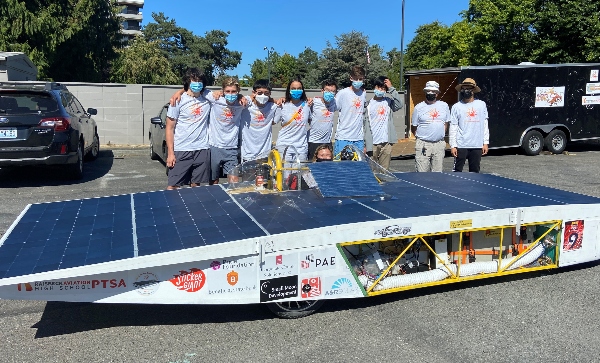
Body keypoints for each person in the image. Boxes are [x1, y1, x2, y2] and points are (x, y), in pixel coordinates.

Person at [165, 68, 211, 190]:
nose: (197, 83)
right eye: (194, 80)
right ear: (188, 82)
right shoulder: (177, 101)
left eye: (199, 81)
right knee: (173, 186)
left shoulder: (207, 98)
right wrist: (170, 153)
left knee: (196, 186)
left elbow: (227, 94)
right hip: (182, 149)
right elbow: (169, 128)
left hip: (202, 149)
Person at [206, 77, 248, 183]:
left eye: (233, 91)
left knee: (234, 181)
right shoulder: (215, 99)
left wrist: (242, 96)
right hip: (214, 146)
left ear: (238, 91)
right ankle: (215, 199)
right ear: (223, 91)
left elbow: (257, 96)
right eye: (227, 91)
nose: (230, 94)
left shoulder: (242, 103)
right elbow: (196, 90)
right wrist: (178, 93)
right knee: (214, 181)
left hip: (232, 148)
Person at [449, 78, 489, 173]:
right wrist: (453, 145)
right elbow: (453, 126)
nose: (466, 91)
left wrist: (485, 142)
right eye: (464, 88)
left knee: (475, 172)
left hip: (477, 145)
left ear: (473, 90)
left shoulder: (481, 104)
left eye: (468, 88)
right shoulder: (456, 107)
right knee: (457, 171)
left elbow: (485, 124)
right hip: (461, 145)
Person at [364, 76, 403, 170]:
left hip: (386, 143)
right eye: (378, 87)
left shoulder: (388, 102)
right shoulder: (368, 104)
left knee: (384, 171)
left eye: (383, 88)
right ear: (374, 87)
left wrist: (391, 88)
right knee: (371, 171)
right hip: (372, 143)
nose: (380, 90)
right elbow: (363, 125)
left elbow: (399, 105)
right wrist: (365, 143)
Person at [411, 81, 451, 172]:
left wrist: (440, 134)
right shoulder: (418, 107)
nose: (430, 93)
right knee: (422, 173)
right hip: (423, 144)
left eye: (433, 92)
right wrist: (421, 138)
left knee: (437, 173)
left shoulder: (444, 106)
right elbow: (414, 126)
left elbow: (446, 123)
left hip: (439, 144)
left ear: (437, 94)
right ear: (425, 92)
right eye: (428, 91)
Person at [333, 65, 369, 158]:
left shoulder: (363, 93)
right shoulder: (343, 93)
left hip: (358, 139)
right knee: (341, 168)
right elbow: (332, 108)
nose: (358, 81)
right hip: (343, 138)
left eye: (360, 79)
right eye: (356, 79)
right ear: (351, 78)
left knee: (357, 169)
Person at [240, 79, 278, 162]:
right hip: (247, 155)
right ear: (254, 93)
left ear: (270, 94)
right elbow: (237, 97)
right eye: (260, 93)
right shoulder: (245, 105)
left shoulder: (273, 107)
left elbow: (274, 121)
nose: (263, 96)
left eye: (266, 93)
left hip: (265, 155)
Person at [274, 77, 310, 162]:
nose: (296, 91)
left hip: (301, 148)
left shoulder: (308, 105)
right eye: (293, 88)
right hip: (284, 147)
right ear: (289, 90)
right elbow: (273, 121)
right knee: (285, 174)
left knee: (298, 174)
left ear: (302, 90)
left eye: (299, 88)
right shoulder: (283, 105)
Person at [307, 80, 337, 160]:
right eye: (327, 90)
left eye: (333, 91)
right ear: (322, 91)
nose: (330, 93)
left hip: (327, 142)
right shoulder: (314, 102)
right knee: (312, 167)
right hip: (313, 141)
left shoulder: (334, 102)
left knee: (327, 168)